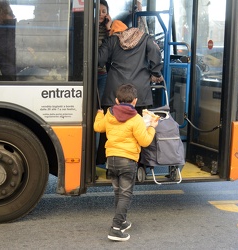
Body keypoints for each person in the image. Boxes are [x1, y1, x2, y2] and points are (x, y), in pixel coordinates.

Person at [93, 83, 159, 241]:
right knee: (125, 195)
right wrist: (152, 128)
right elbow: (144, 142)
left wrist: (99, 114)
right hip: (127, 160)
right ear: (135, 101)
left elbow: (97, 127)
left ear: (116, 100)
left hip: (111, 160)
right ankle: (115, 229)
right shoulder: (136, 119)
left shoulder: (109, 114)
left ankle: (121, 222)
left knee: (118, 193)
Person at [96, 20, 163, 165]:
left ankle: (107, 161)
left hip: (116, 92)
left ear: (115, 31)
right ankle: (139, 163)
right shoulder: (145, 38)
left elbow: (99, 59)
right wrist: (156, 72)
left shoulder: (112, 40)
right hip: (139, 93)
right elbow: (156, 54)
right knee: (140, 128)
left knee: (111, 128)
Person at [97, 0, 112, 100]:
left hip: (103, 72)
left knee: (100, 104)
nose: (101, 15)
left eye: (104, 11)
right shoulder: (87, 26)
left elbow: (112, 46)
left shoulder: (110, 28)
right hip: (88, 73)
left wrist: (108, 28)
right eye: (98, 12)